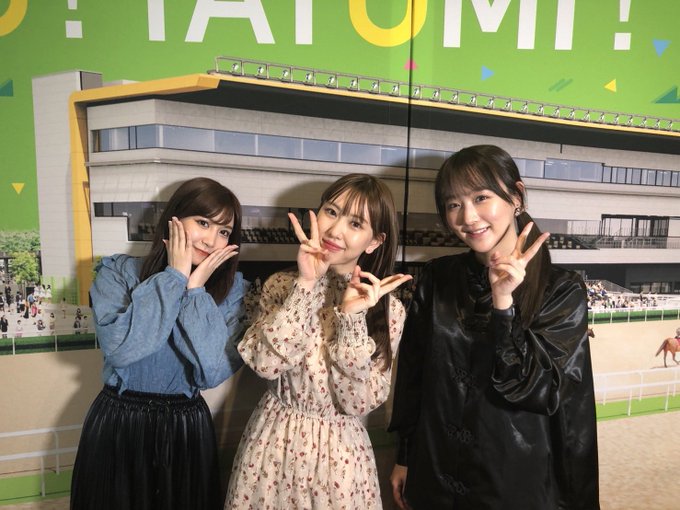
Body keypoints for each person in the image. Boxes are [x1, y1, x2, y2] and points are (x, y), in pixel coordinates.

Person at [388, 145, 599, 510]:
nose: (468, 217)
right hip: (434, 475)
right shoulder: (437, 277)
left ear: (516, 196)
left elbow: (543, 391)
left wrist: (504, 305)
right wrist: (405, 456)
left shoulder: (561, 289)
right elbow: (413, 377)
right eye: (454, 204)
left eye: (481, 198)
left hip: (514, 483)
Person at [225, 173, 412, 509]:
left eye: (355, 223)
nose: (335, 230)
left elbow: (356, 403)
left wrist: (352, 319)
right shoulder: (281, 285)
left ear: (374, 241)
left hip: (339, 458)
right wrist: (306, 286)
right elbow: (266, 365)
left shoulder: (388, 310)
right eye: (332, 212)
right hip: (271, 448)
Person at [71, 177, 250, 510]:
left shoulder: (235, 292)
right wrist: (173, 277)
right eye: (203, 222)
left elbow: (211, 372)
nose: (211, 240)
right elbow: (122, 350)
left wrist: (195, 292)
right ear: (174, 218)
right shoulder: (118, 272)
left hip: (186, 427)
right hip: (119, 421)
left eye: (224, 231)